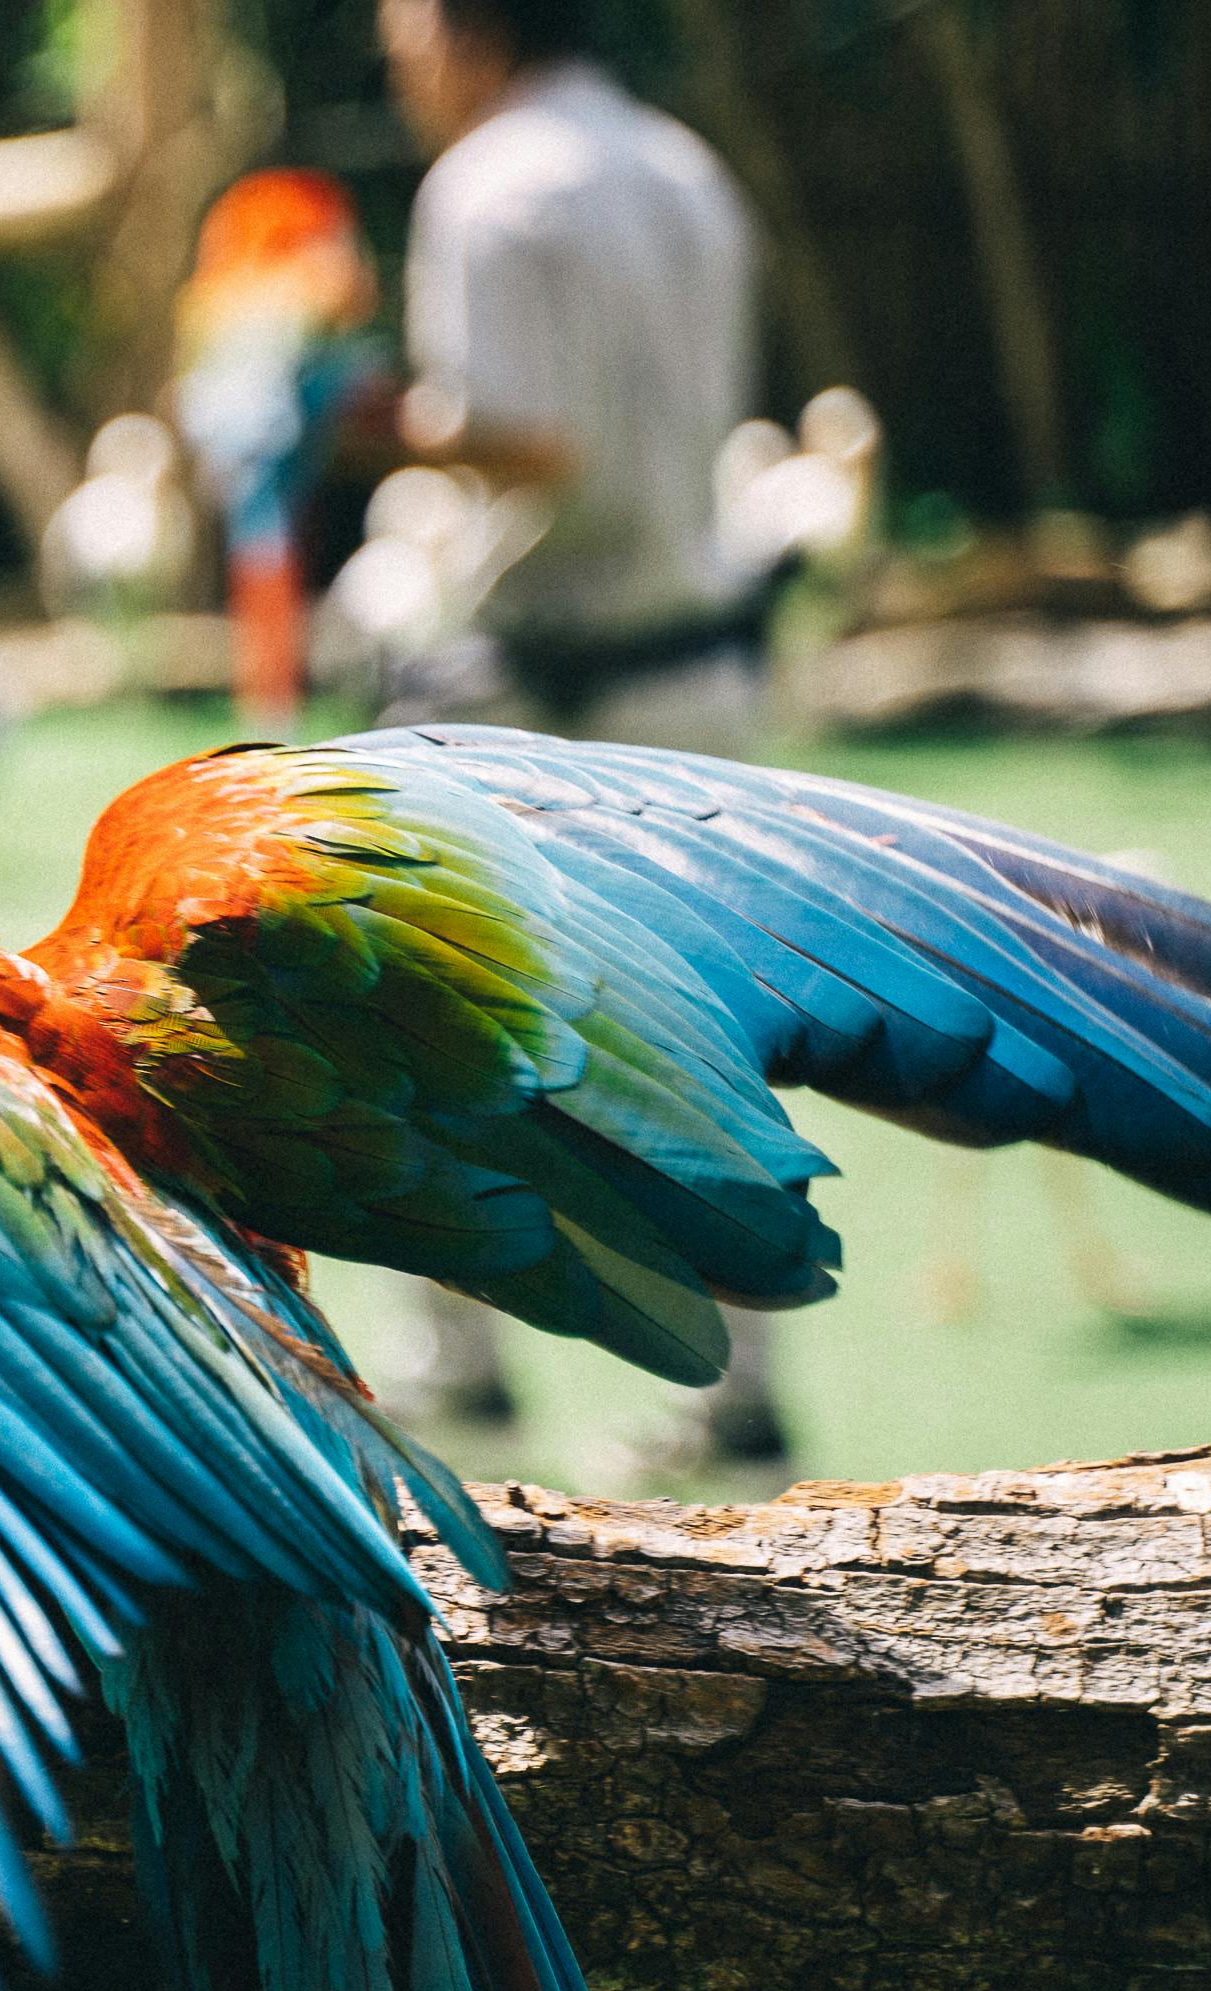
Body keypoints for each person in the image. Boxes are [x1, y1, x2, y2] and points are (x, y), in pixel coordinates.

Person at [370, 0, 790, 1462]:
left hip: (541, 683)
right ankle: (739, 1383)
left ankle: (458, 1346)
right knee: (705, 1034)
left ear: (470, 28)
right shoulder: (681, 163)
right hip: (701, 659)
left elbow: (532, 437)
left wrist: (351, 413)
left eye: (406, 24)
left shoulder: (488, 185)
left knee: (438, 1014)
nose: (396, 54)